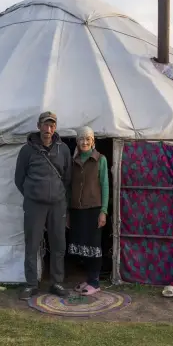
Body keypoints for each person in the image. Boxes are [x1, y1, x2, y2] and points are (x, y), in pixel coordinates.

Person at [14, 111, 72, 300]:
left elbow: (67, 177)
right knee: (32, 244)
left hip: (57, 204)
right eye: (45, 125)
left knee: (58, 244)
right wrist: (33, 194)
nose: (48, 129)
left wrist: (56, 195)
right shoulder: (27, 150)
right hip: (34, 205)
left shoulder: (63, 149)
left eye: (52, 125)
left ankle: (56, 282)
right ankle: (31, 284)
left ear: (55, 127)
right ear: (38, 126)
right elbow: (19, 179)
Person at [67, 126, 109, 295]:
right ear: (77, 142)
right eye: (81, 139)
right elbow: (69, 188)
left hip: (94, 209)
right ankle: (88, 278)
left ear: (93, 141)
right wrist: (68, 212)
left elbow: (105, 185)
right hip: (77, 209)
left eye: (88, 139)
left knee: (94, 246)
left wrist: (103, 211)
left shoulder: (100, 159)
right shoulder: (73, 161)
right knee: (82, 246)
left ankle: (95, 281)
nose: (84, 142)